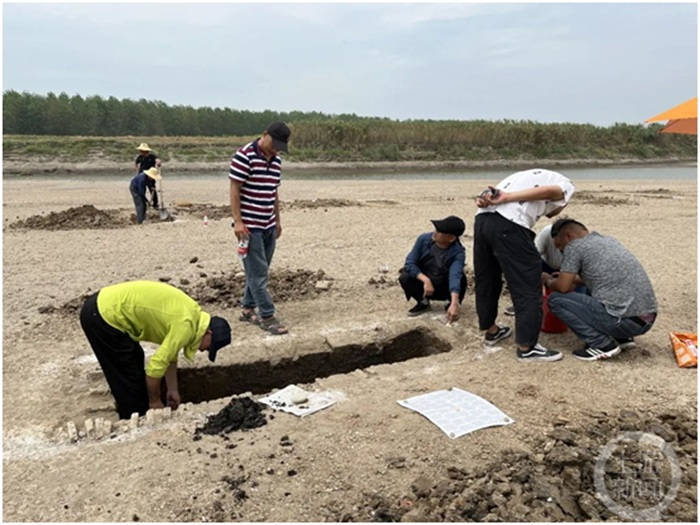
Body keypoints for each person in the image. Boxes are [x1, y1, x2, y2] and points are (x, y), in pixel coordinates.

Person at [79, 281, 232, 419]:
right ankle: (134, 418)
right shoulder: (186, 325)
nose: (204, 350)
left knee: (135, 358)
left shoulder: (192, 316)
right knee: (128, 376)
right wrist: (155, 402)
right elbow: (155, 367)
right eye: (209, 347)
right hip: (102, 315)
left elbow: (170, 355)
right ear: (208, 333)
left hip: (104, 306)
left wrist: (172, 389)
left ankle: (136, 410)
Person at [473, 168, 575, 362]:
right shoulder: (566, 183)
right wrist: (507, 197)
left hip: (482, 220)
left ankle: (491, 330)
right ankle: (527, 347)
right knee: (528, 283)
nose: (553, 214)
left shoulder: (523, 176)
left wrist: (489, 197)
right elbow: (552, 192)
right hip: (510, 224)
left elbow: (488, 195)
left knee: (487, 278)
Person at [543, 218, 658, 361]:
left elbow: (562, 287)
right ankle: (623, 338)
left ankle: (602, 344)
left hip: (623, 320)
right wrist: (572, 278)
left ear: (568, 236)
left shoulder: (574, 247)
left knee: (556, 300)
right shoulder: (608, 241)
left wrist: (548, 280)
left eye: (560, 246)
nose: (561, 251)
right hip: (645, 319)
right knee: (601, 290)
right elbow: (599, 278)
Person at [229, 121, 291, 335]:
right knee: (258, 274)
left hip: (268, 224)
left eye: (279, 148)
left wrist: (277, 221)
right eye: (274, 144)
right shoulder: (244, 156)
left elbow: (274, 193)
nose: (275, 150)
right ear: (264, 135)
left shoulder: (276, 162)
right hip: (249, 226)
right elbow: (234, 189)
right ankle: (267, 315)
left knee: (259, 271)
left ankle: (247, 309)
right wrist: (238, 221)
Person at [399, 216, 468, 322]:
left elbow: (455, 276)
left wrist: (455, 303)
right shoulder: (423, 239)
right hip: (425, 283)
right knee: (405, 276)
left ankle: (450, 304)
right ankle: (423, 302)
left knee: (462, 278)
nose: (434, 232)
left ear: (451, 238)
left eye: (439, 231)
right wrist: (425, 280)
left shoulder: (458, 253)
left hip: (443, 284)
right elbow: (410, 263)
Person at [134, 143, 161, 208]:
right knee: (141, 190)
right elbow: (136, 163)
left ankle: (155, 204)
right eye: (140, 151)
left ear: (146, 151)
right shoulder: (140, 157)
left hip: (151, 176)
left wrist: (158, 163)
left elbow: (158, 160)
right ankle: (143, 203)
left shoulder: (152, 156)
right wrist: (137, 171)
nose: (141, 152)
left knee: (152, 189)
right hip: (142, 175)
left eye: (142, 151)